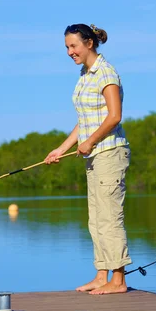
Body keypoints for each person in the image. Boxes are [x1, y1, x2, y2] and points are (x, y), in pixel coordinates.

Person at [44, 23, 132, 295]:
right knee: (95, 219)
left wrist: (91, 141)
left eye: (74, 46)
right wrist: (61, 148)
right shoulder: (85, 74)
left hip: (110, 152)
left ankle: (118, 281)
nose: (70, 52)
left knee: (110, 218)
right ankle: (101, 275)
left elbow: (115, 116)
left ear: (89, 44)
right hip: (94, 155)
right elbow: (84, 121)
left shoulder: (106, 72)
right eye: (67, 48)